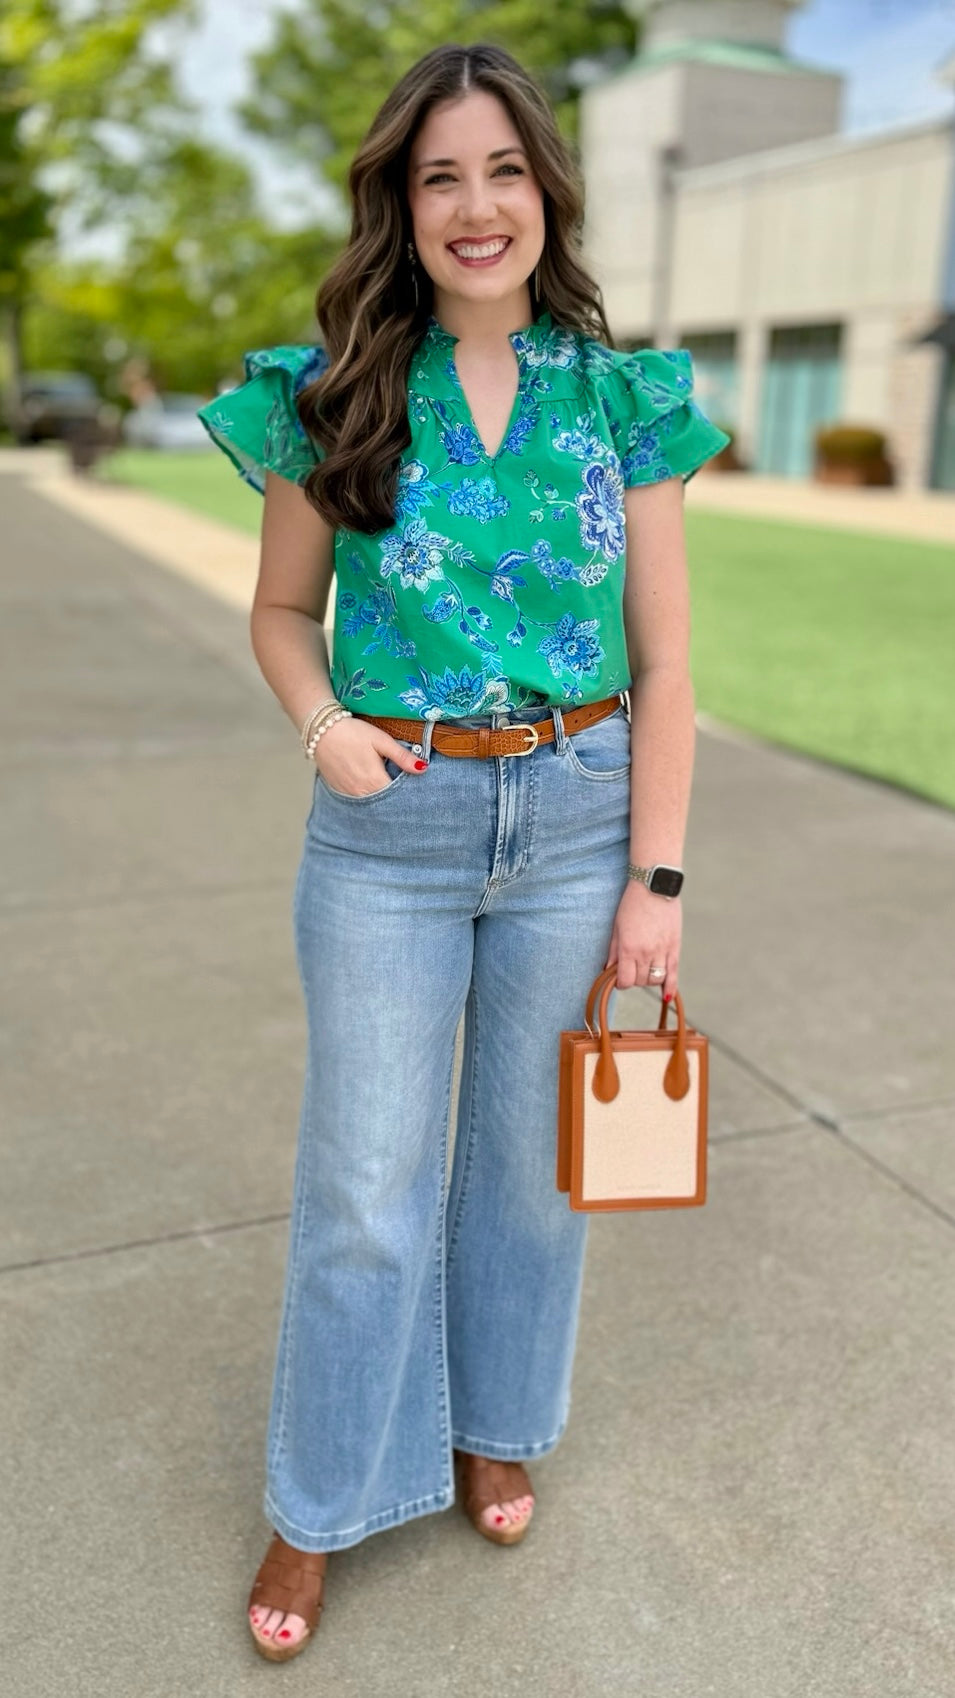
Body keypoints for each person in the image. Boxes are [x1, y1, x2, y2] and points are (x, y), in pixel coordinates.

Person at [198, 39, 729, 1665]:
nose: (475, 204)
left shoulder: (614, 395)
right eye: (442, 176)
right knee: (365, 1188)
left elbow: (669, 672)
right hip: (389, 829)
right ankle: (320, 1498)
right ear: (402, 203)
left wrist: (655, 883)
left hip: (575, 821)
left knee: (525, 1174)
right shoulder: (335, 384)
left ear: (544, 195)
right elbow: (283, 613)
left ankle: (495, 1421)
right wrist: (322, 728)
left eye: (503, 170)